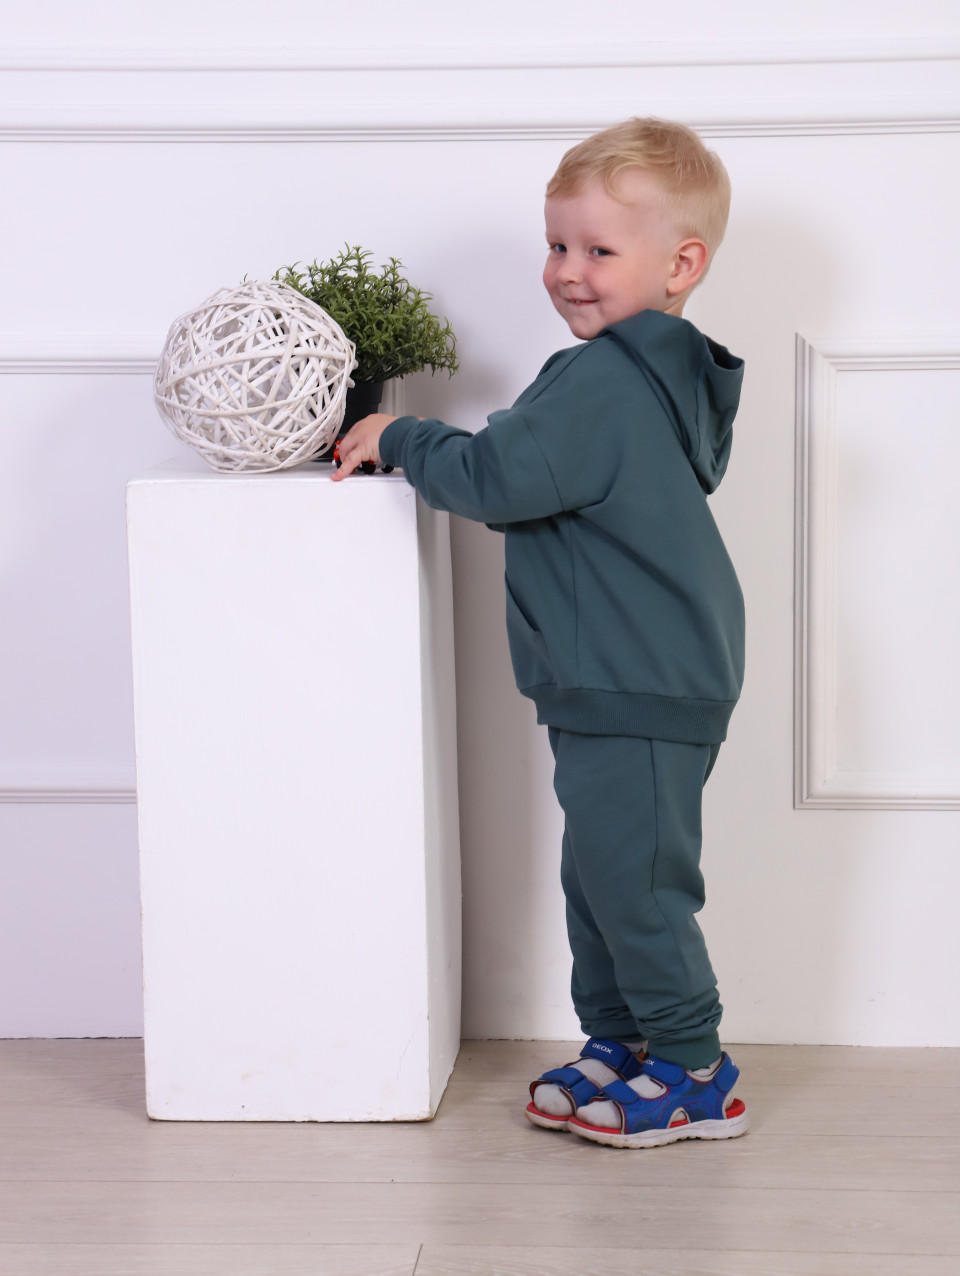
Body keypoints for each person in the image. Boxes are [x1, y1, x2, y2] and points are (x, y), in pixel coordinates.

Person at [333, 117, 748, 1150]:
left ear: (681, 265)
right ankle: (622, 1041)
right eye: (558, 244)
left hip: (637, 676)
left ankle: (695, 1067)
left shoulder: (605, 379)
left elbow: (498, 477)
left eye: (599, 250)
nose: (567, 271)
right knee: (601, 877)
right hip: (624, 674)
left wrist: (402, 434)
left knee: (635, 885)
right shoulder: (653, 374)